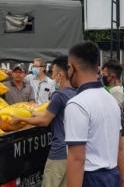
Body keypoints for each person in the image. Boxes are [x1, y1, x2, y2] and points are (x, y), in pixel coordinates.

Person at [64, 41, 124, 187]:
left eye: (68, 67)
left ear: (73, 67)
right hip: (113, 177)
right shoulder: (111, 100)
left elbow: (77, 159)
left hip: (91, 179)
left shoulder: (77, 104)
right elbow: (119, 148)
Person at [12, 56, 76, 187]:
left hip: (58, 153)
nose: (52, 76)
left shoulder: (58, 95)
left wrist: (20, 118)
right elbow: (55, 114)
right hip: (72, 152)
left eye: (53, 72)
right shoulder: (74, 93)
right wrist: (33, 112)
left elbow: (45, 121)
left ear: (60, 74)